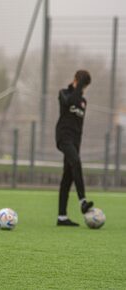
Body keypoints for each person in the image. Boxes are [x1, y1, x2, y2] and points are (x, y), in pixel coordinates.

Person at [55, 70, 94, 226]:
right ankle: (83, 201)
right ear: (76, 81)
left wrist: (80, 87)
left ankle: (62, 217)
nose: (84, 88)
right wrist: (77, 85)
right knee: (76, 162)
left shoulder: (83, 102)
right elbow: (69, 102)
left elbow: (79, 125)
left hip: (75, 141)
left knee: (68, 176)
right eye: (83, 84)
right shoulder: (64, 93)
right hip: (63, 138)